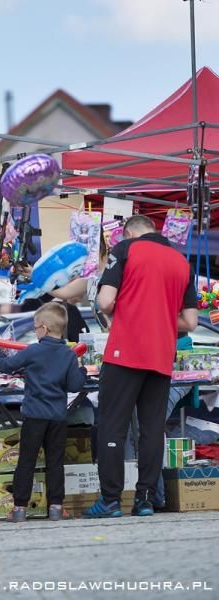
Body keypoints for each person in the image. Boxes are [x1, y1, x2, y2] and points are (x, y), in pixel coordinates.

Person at [83, 215, 198, 519]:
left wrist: (133, 311)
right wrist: (158, 316)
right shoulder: (181, 261)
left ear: (129, 232)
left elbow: (106, 302)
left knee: (112, 425)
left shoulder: (125, 249)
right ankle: (144, 500)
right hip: (161, 355)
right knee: (151, 430)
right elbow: (190, 322)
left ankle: (109, 500)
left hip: (126, 352)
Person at [0, 302, 87, 522]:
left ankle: (20, 509)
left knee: (27, 461)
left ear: (43, 328)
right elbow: (74, 385)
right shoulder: (68, 355)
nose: (34, 331)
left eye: (35, 327)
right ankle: (56, 507)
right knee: (55, 463)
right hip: (58, 418)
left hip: (34, 416)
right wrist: (80, 369)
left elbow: (5, 366)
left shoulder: (33, 350)